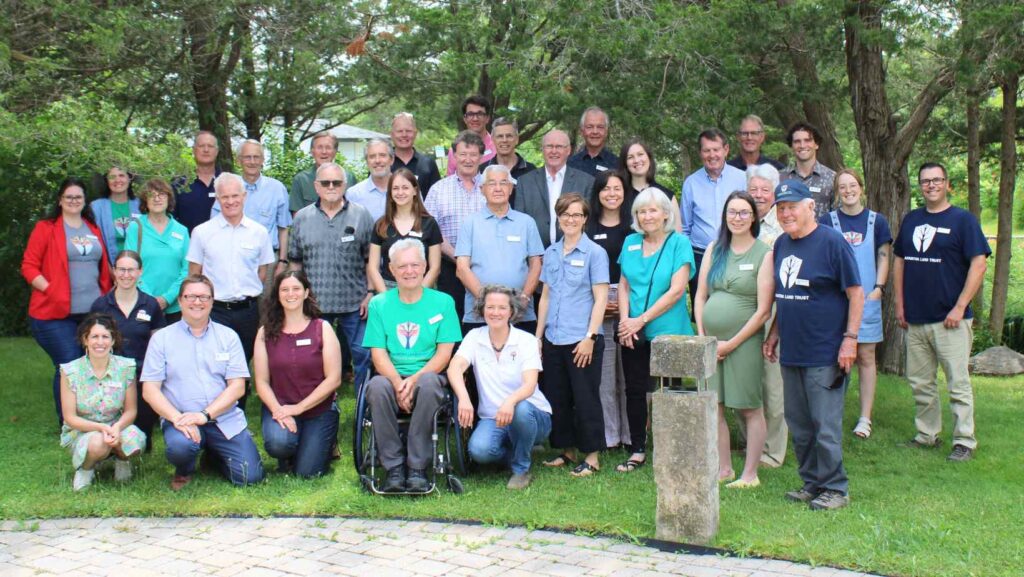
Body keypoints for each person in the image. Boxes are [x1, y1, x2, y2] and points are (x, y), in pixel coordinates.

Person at [763, 180, 863, 511]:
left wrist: (850, 340)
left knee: (825, 426)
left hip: (826, 350)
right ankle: (812, 483)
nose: (786, 213)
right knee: (800, 425)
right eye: (781, 208)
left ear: (811, 207)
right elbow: (785, 294)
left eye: (792, 206)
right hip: (793, 349)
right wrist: (775, 331)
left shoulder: (832, 243)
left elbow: (856, 293)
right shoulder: (781, 245)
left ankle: (836, 488)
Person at [893, 162, 989, 462]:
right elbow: (900, 261)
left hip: (950, 319)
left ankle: (964, 441)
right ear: (920, 186)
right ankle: (927, 434)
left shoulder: (963, 221)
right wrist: (899, 304)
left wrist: (960, 307)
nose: (931, 185)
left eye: (936, 180)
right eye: (925, 181)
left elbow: (979, 263)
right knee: (921, 382)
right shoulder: (911, 219)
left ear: (948, 184)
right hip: (915, 319)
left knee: (957, 383)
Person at [142, 275, 265, 490]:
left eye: (204, 297)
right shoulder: (161, 339)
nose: (197, 302)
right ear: (180, 301)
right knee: (181, 448)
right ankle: (185, 469)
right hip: (181, 420)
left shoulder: (228, 337)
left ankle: (213, 455)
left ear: (212, 301)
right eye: (191, 296)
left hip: (222, 419)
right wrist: (177, 418)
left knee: (249, 477)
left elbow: (237, 386)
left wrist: (205, 415)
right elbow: (150, 390)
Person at [362, 240, 463, 492]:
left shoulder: (443, 302)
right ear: (392, 270)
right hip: (391, 374)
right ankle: (394, 468)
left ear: (425, 267)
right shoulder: (379, 304)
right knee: (376, 387)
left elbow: (444, 354)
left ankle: (417, 467)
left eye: (415, 265)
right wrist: (398, 383)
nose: (409, 271)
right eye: (402, 266)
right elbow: (378, 353)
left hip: (428, 374)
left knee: (429, 384)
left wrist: (414, 380)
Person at [693, 192, 773, 488]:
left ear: (754, 217)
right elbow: (700, 295)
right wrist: (704, 336)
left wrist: (732, 343)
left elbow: (763, 310)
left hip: (744, 342)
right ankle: (723, 468)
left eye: (743, 213)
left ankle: (750, 474)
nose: (736, 218)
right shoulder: (715, 249)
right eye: (732, 212)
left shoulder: (764, 254)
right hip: (711, 343)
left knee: (749, 407)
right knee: (714, 405)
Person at [616, 188, 695, 472]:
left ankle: (675, 447)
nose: (647, 216)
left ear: (665, 214)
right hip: (633, 333)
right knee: (635, 390)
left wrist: (641, 319)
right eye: (641, 211)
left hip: (668, 329)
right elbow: (624, 284)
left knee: (671, 390)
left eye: (653, 210)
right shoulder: (630, 242)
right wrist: (626, 321)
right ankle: (637, 449)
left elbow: (676, 291)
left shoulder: (679, 243)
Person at [22, 178, 113, 425]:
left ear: (85, 202)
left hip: (90, 313)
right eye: (69, 197)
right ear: (60, 200)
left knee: (94, 362)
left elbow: (102, 266)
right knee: (69, 364)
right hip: (53, 314)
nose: (73, 201)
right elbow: (29, 266)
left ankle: (92, 416)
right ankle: (69, 423)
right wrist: (51, 290)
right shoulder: (46, 228)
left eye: (78, 197)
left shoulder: (92, 229)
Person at [448, 285, 552, 490]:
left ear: (511, 311)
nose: (495, 312)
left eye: (502, 308)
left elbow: (530, 384)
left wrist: (510, 401)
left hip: (531, 413)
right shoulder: (474, 337)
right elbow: (454, 368)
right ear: (482, 310)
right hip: (493, 416)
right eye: (490, 307)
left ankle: (521, 470)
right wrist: (464, 399)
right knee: (479, 451)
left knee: (520, 409)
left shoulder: (526, 340)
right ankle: (518, 451)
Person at [188, 172, 276, 411]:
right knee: (214, 365)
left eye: (235, 195)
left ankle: (237, 416)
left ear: (244, 196)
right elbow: (194, 274)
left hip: (248, 310)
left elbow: (262, 272)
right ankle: (211, 415)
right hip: (215, 310)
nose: (230, 201)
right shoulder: (202, 232)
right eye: (224, 196)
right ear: (217, 198)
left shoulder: (258, 232)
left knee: (242, 365)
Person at [536, 193, 609, 477]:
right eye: (566, 214)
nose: (571, 219)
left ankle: (591, 457)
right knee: (558, 396)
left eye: (577, 215)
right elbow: (545, 297)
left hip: (582, 340)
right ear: (558, 217)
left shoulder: (595, 253)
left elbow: (600, 298)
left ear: (585, 219)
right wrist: (539, 337)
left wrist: (590, 337)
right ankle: (566, 451)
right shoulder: (552, 252)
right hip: (554, 338)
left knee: (586, 397)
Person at [288, 162, 375, 393]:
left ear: (345, 185)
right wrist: (296, 296)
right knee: (312, 358)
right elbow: (295, 261)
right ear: (316, 186)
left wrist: (370, 293)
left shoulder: (362, 215)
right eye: (325, 182)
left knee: (363, 355)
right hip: (314, 303)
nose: (331, 187)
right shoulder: (301, 219)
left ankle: (363, 411)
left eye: (336, 182)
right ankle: (317, 407)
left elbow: (371, 260)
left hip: (355, 303)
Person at [821, 169, 892, 439]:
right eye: (842, 186)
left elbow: (884, 256)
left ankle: (865, 418)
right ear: (837, 191)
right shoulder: (828, 221)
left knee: (865, 356)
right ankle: (832, 413)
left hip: (868, 299)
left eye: (852, 185)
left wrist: (878, 288)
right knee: (835, 358)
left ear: (861, 188)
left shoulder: (878, 221)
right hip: (837, 301)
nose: (848, 190)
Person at [253, 270, 343, 478]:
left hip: (318, 409)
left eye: (296, 289)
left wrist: (299, 408)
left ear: (306, 293)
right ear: (277, 295)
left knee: (307, 473)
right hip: (281, 407)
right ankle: (289, 449)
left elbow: (334, 379)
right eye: (284, 289)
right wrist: (279, 410)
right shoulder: (265, 333)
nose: (290, 294)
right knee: (278, 444)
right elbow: (262, 382)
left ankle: (324, 443)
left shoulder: (322, 328)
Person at [60, 313, 145, 491]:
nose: (100, 342)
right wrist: (101, 429)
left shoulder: (126, 368)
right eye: (95, 337)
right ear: (85, 340)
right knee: (98, 443)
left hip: (116, 425)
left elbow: (131, 411)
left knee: (135, 439)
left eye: (105, 337)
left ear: (113, 340)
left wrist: (115, 428)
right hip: (82, 430)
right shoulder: (70, 371)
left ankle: (123, 461)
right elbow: (69, 417)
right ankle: (86, 469)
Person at [90, 250, 166, 449]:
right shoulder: (101, 305)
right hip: (109, 373)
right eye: (121, 269)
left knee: (142, 436)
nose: (126, 275)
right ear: (114, 271)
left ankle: (139, 446)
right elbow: (92, 343)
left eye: (131, 270)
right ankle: (108, 448)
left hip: (142, 374)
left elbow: (159, 343)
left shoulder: (150, 304)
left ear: (140, 272)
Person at [456, 165, 544, 332]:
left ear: (511, 188)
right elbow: (462, 268)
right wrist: (488, 303)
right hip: (479, 315)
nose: (498, 188)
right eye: (491, 183)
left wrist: (523, 299)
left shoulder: (526, 222)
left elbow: (536, 264)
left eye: (503, 183)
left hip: (521, 315)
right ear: (482, 189)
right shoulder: (470, 223)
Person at [586, 170, 632, 449]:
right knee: (604, 377)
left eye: (617, 188)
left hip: (630, 305)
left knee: (628, 375)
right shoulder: (587, 227)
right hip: (597, 304)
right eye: (606, 188)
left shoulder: (634, 226)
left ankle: (630, 434)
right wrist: (601, 302)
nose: (612, 193)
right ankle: (610, 436)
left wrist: (623, 301)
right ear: (598, 193)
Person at [745, 163, 787, 468]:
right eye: (753, 190)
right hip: (742, 311)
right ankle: (751, 444)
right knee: (744, 382)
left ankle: (773, 451)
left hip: (773, 311)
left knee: (772, 383)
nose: (758, 196)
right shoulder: (739, 221)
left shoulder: (783, 225)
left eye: (764, 190)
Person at [424, 131, 487, 321]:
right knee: (453, 323)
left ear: (481, 157)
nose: (468, 160)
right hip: (449, 269)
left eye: (473, 155)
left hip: (485, 268)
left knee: (486, 319)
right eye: (463, 154)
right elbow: (431, 230)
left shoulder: (492, 187)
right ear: (454, 156)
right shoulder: (438, 189)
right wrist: (458, 257)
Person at [681, 128, 748, 303]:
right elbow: (685, 227)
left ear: (726, 150)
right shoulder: (691, 183)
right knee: (701, 307)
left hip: (735, 253)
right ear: (700, 153)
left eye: (716, 149)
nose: (712, 155)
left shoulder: (742, 179)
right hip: (700, 255)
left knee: (733, 305)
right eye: (706, 150)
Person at [212, 140, 291, 281]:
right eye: (247, 157)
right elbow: (215, 225)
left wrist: (283, 261)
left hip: (268, 261)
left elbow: (283, 228)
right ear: (239, 160)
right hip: (233, 260)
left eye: (256, 157)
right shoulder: (228, 186)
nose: (252, 161)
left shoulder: (277, 188)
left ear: (263, 160)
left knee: (267, 303)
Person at [513, 129, 595, 248]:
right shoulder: (525, 182)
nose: (554, 151)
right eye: (549, 146)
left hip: (573, 254)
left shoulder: (586, 182)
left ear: (568, 150)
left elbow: (588, 222)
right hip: (535, 255)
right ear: (542, 150)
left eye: (559, 146)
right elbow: (520, 223)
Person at [125, 178, 191, 323]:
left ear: (169, 198)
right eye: (151, 194)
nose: (157, 198)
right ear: (144, 200)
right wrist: (151, 299)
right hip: (142, 303)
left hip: (176, 306)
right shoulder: (136, 228)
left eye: (162, 194)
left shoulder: (181, 230)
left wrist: (167, 298)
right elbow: (129, 266)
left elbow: (187, 270)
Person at [368, 168, 442, 293]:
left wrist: (418, 294)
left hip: (422, 289)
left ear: (415, 191)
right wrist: (386, 297)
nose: (400, 192)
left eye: (405, 187)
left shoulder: (430, 223)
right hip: (388, 289)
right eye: (395, 188)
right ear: (390, 193)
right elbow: (373, 267)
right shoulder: (381, 225)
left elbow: (435, 267)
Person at [619, 138, 681, 233]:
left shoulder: (667, 196)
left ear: (649, 158)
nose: (636, 160)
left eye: (640, 154)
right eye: (630, 157)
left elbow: (677, 235)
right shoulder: (618, 196)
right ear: (625, 163)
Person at [779, 122, 836, 220]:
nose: (802, 145)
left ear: (816, 144)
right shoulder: (780, 178)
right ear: (791, 146)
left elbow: (838, 217)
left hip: (822, 235)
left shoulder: (832, 178)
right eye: (797, 141)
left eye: (807, 140)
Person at [290, 131, 356, 214]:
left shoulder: (349, 177)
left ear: (335, 151)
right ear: (312, 151)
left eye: (328, 147)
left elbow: (354, 211)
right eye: (319, 147)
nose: (324, 151)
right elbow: (297, 216)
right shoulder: (301, 180)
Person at [90, 164, 141, 264]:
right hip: (107, 268)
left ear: (130, 178)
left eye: (121, 175)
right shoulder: (96, 207)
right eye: (112, 177)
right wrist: (110, 270)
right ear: (106, 180)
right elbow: (94, 243)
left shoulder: (141, 206)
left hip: (138, 269)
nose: (117, 180)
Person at [173, 131, 221, 233]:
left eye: (210, 146)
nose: (206, 150)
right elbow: (171, 220)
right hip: (189, 246)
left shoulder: (228, 182)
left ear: (217, 151)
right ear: (194, 150)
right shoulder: (179, 184)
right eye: (201, 146)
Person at [389, 112, 441, 197]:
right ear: (391, 134)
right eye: (399, 131)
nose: (404, 135)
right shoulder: (383, 164)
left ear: (415, 133)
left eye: (408, 131)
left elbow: (437, 197)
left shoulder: (428, 163)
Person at [479, 117, 537, 188]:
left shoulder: (531, 171)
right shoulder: (482, 170)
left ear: (516, 139)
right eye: (500, 136)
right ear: (493, 140)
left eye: (509, 136)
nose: (504, 140)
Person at [445, 94, 495, 175]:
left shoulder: (496, 147)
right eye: (470, 114)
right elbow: (450, 180)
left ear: (487, 118)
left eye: (480, 114)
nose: (475, 119)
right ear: (465, 119)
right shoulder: (455, 150)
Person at [348, 138, 394, 222]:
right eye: (372, 156)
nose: (377, 161)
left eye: (382, 155)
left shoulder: (407, 190)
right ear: (366, 161)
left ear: (392, 160)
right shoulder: (353, 194)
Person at [567, 107, 619, 176]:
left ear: (606, 131)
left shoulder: (617, 164)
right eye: (590, 127)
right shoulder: (570, 164)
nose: (595, 132)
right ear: (582, 131)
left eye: (600, 127)